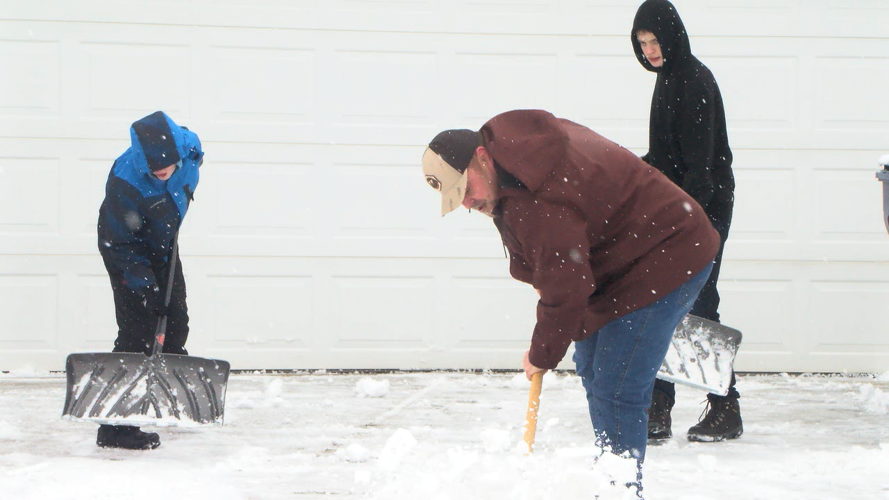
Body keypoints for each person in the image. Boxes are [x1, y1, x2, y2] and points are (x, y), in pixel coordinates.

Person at [422, 109, 719, 496]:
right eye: (457, 197)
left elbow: (566, 288)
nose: (467, 203)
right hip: (622, 260)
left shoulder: (538, 194)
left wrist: (541, 353)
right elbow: (559, 269)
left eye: (466, 188)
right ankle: (611, 474)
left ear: (482, 156)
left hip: (667, 255)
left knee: (616, 386)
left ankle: (619, 490)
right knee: (593, 367)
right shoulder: (513, 153)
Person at [631, 0, 742, 443]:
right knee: (661, 302)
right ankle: (659, 408)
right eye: (642, 44)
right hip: (679, 206)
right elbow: (665, 158)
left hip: (703, 207)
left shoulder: (693, 81)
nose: (651, 50)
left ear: (672, 35)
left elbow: (700, 170)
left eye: (655, 40)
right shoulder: (668, 80)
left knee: (696, 302)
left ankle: (724, 408)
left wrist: (683, 222)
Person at [95, 111, 203, 450]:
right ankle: (115, 426)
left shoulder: (190, 149)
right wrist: (144, 288)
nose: (162, 173)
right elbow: (123, 243)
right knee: (138, 330)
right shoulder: (125, 180)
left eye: (167, 167)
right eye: (155, 170)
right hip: (126, 248)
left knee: (175, 321)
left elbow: (191, 169)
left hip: (162, 240)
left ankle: (166, 400)